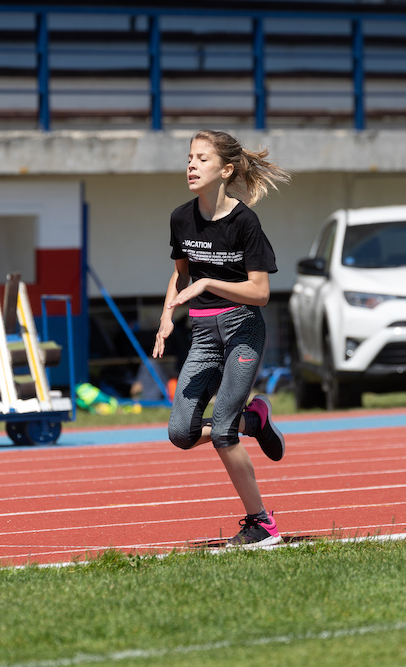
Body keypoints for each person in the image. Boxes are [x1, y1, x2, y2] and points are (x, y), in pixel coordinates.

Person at [152, 129, 290, 547]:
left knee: (223, 433)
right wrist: (166, 317)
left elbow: (260, 293)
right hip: (203, 333)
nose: (191, 166)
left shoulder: (245, 222)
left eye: (202, 159)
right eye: (189, 158)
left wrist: (209, 282)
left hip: (242, 327)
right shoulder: (181, 218)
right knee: (181, 433)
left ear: (226, 170)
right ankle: (256, 420)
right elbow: (180, 276)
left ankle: (262, 525)